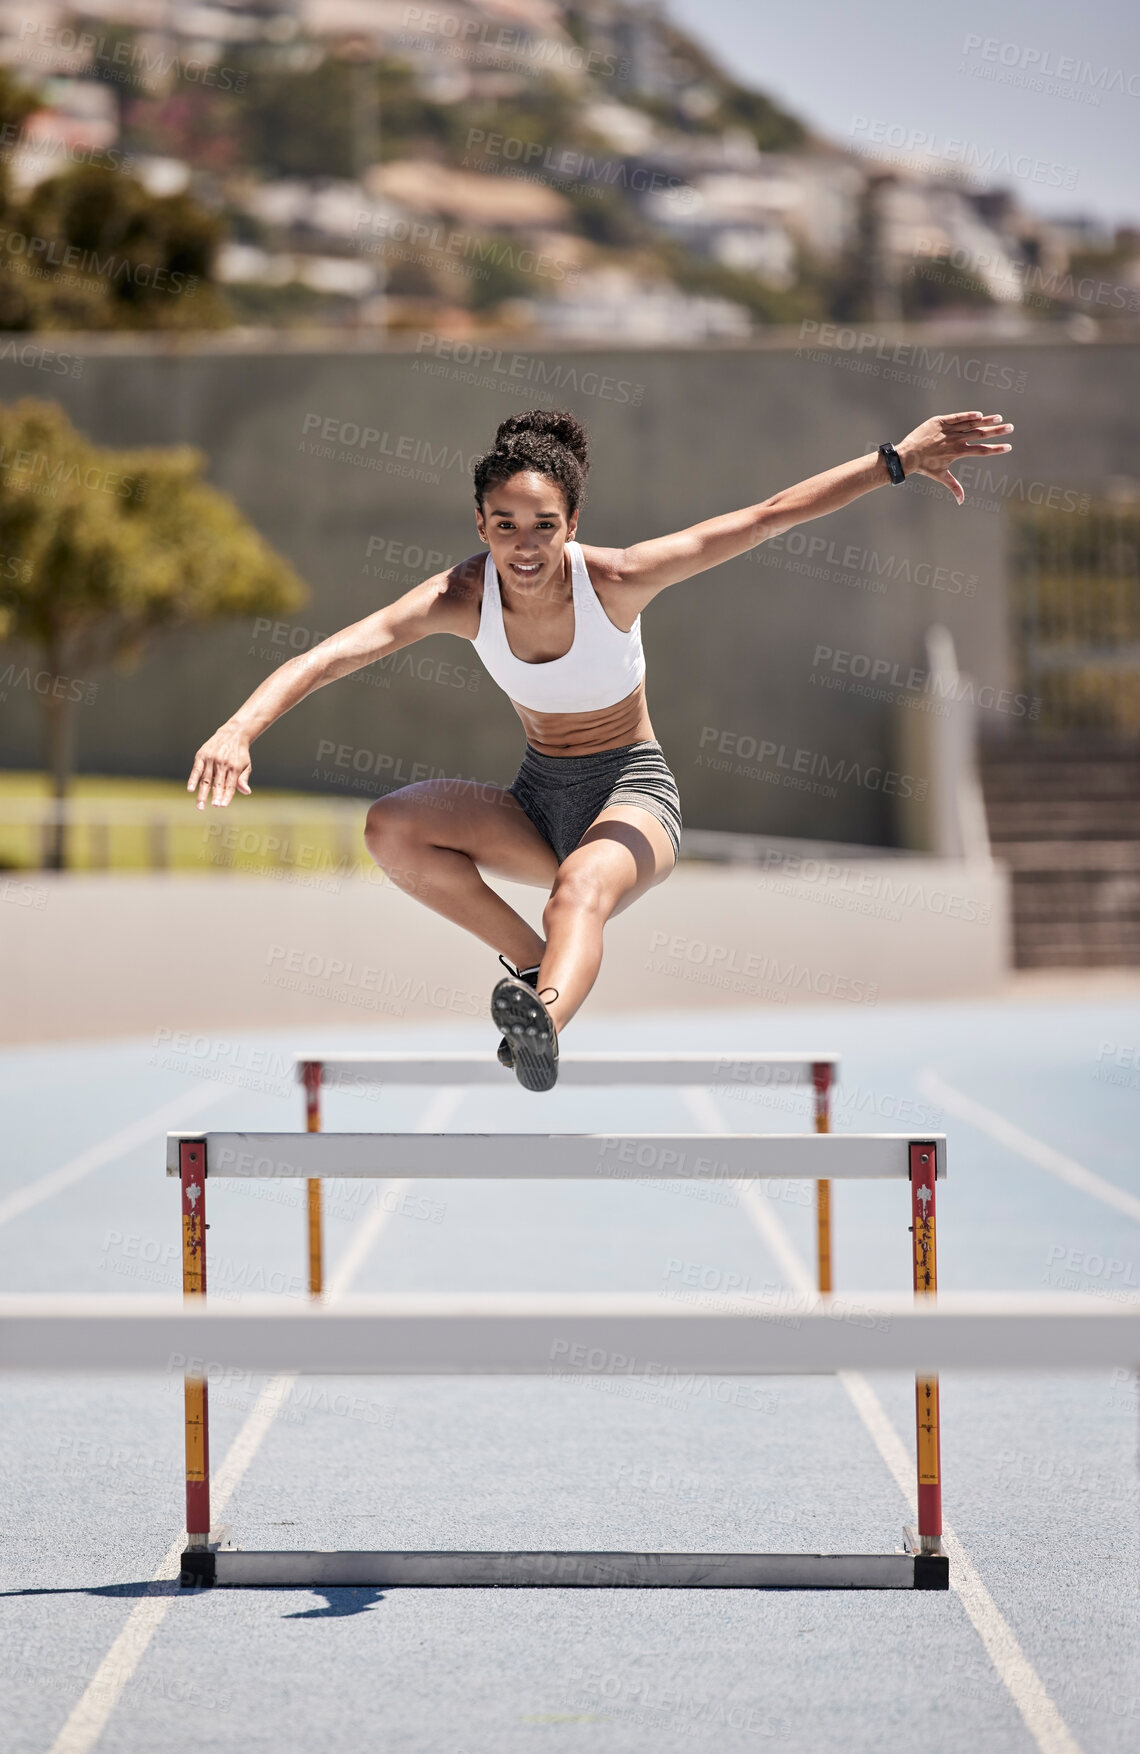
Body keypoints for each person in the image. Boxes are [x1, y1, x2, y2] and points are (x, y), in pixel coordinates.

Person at [188, 406, 1013, 1092]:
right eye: (504, 525)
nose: (524, 546)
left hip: (634, 796)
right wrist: (239, 728)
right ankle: (536, 967)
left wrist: (895, 461)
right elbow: (332, 653)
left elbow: (766, 518)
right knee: (391, 828)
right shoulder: (457, 595)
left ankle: (543, 1018)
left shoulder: (617, 579)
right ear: (479, 523)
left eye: (545, 526)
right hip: (537, 796)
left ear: (572, 524)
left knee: (581, 887)